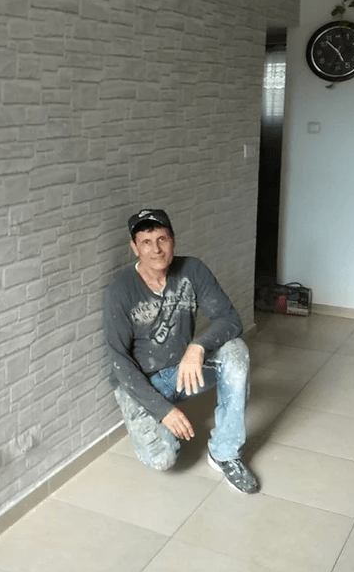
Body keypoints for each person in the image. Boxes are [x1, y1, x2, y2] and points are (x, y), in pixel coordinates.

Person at [103, 208, 259, 494]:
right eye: (146, 242)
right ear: (134, 247)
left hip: (180, 371)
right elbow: (119, 361)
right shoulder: (120, 287)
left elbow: (230, 320)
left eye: (162, 239)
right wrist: (163, 411)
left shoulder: (192, 270)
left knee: (236, 351)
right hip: (140, 382)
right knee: (162, 459)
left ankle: (225, 452)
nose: (156, 249)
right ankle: (154, 417)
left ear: (173, 239)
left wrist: (198, 346)